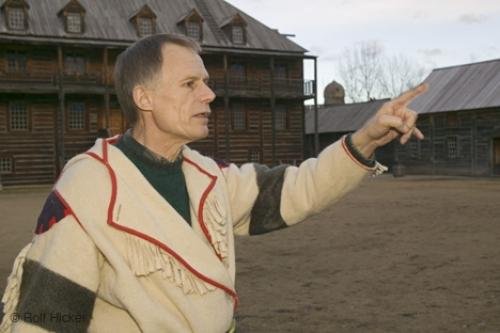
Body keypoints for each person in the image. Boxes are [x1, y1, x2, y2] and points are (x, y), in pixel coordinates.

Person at [0, 33, 427, 333]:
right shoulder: (88, 189)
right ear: (144, 98)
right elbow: (46, 320)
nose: (209, 95)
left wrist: (364, 139)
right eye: (190, 83)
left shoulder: (207, 175)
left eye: (206, 82)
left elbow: (298, 189)